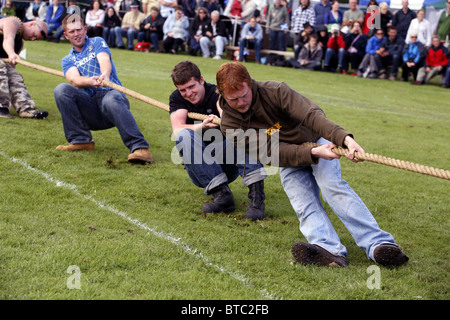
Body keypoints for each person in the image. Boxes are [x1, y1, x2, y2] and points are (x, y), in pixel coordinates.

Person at [216, 61, 409, 268]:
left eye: (244, 95)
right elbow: (269, 153)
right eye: (233, 99)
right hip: (287, 156)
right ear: (223, 96)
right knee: (302, 200)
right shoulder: (230, 125)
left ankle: (378, 244)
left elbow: (311, 115)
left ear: (250, 83)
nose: (241, 102)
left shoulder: (276, 91)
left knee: (332, 187)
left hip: (317, 141)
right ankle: (328, 249)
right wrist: (312, 153)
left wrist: (344, 139)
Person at [169, 61, 266, 220]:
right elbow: (177, 128)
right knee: (183, 135)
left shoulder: (216, 92)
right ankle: (222, 196)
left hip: (229, 162)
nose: (188, 93)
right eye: (183, 90)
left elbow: (226, 114)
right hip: (201, 168)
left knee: (241, 132)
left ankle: (257, 198)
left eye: (191, 87)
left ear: (201, 80)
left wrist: (223, 118)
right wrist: (202, 126)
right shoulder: (176, 98)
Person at [53, 14, 153, 164]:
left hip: (112, 100)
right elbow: (74, 79)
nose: (76, 34)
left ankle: (140, 148)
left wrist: (105, 75)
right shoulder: (67, 60)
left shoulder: (97, 42)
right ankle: (81, 141)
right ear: (66, 35)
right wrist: (88, 81)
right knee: (61, 90)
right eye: (72, 32)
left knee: (111, 99)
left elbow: (104, 60)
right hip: (90, 108)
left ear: (85, 29)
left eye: (79, 30)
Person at [0, 16, 49, 119]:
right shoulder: (13, 22)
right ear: (32, 24)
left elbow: (10, 68)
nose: (32, 39)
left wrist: (9, 95)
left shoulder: (19, 44)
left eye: (35, 39)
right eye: (34, 35)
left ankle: (25, 108)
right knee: (1, 66)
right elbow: (7, 38)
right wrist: (11, 53)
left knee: (15, 75)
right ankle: (1, 107)